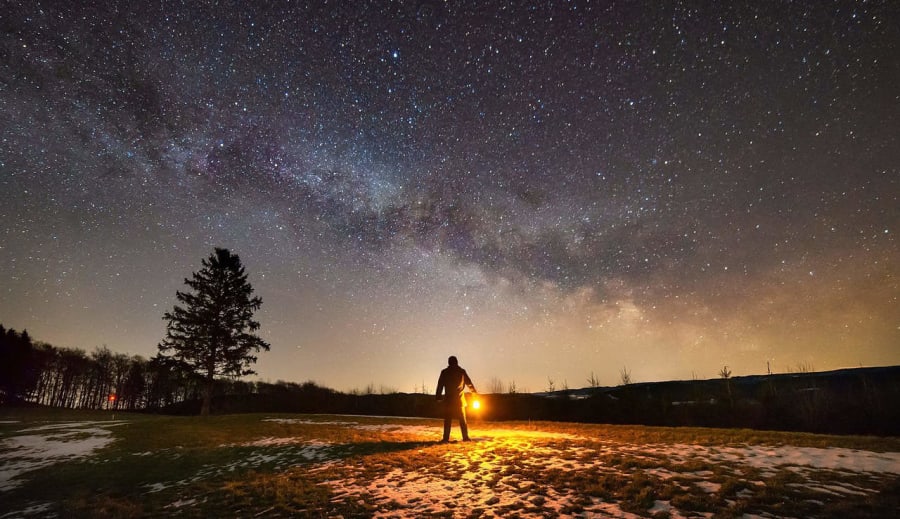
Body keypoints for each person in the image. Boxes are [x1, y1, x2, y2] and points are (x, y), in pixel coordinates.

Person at [435, 355, 477, 442]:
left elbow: (440, 385)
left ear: (449, 363)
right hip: (459, 400)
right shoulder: (461, 372)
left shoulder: (445, 372)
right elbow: (469, 383)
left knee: (447, 420)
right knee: (462, 420)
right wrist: (474, 392)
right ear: (457, 362)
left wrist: (438, 396)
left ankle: (446, 438)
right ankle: (465, 437)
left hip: (449, 400)